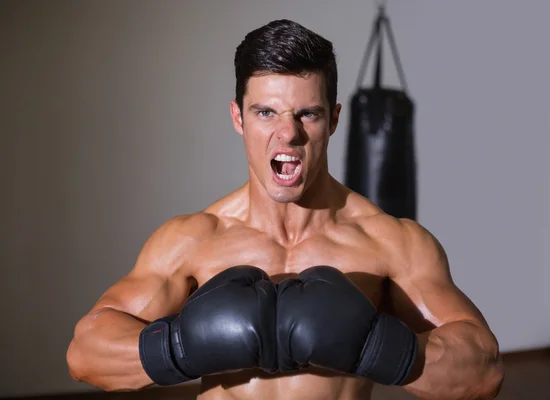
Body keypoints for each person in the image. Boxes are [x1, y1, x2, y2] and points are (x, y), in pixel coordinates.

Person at [66, 19, 504, 400]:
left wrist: (373, 347)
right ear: (238, 118)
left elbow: (484, 371)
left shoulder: (390, 242)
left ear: (333, 119)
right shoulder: (193, 239)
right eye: (265, 113)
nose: (288, 134)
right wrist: (181, 346)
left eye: (307, 114)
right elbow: (86, 354)